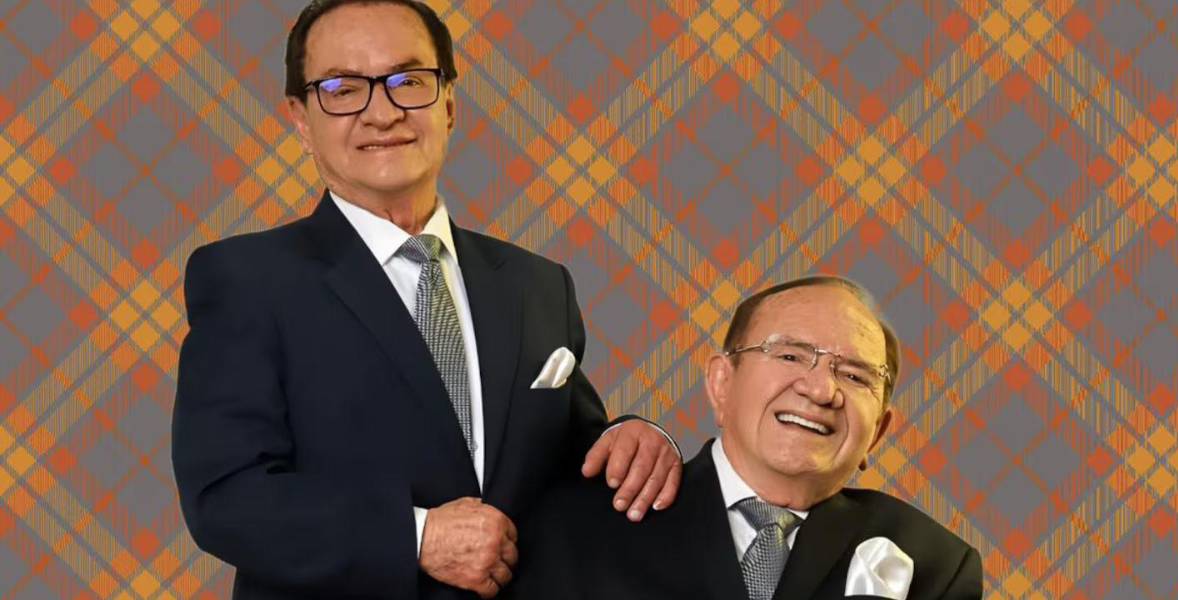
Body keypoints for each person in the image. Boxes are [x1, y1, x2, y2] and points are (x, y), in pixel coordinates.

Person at [171, 1, 682, 598]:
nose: (382, 112)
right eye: (342, 89)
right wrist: (415, 536)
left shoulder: (537, 283)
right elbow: (227, 497)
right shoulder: (247, 279)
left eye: (409, 81)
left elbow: (572, 461)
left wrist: (635, 441)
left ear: (449, 103)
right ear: (301, 120)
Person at [508, 275, 983, 600]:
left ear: (877, 432)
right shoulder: (580, 527)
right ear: (721, 383)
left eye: (855, 376)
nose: (821, 390)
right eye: (791, 356)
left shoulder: (933, 564)